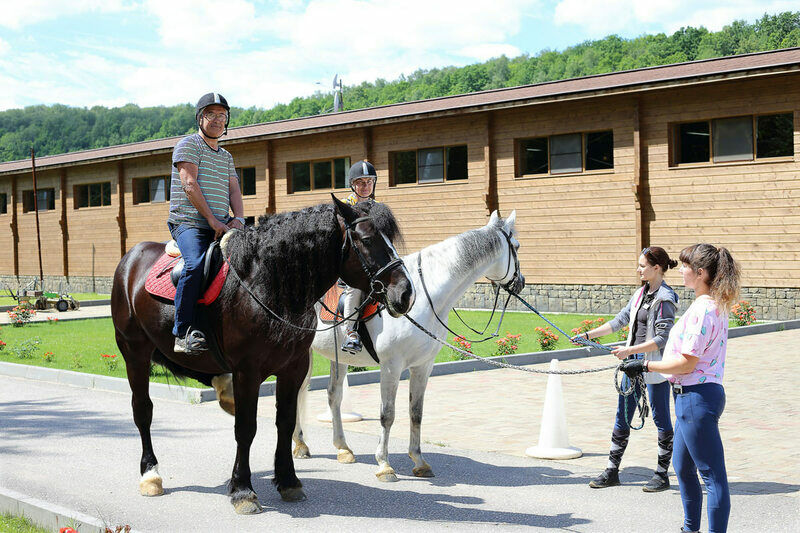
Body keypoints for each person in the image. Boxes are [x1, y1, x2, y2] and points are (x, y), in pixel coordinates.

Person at [621, 244, 740, 533]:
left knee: (712, 478)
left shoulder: (704, 309)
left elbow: (686, 363)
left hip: (696, 398)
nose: (682, 270)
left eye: (686, 266)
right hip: (692, 398)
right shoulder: (709, 304)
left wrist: (646, 366)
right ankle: (690, 529)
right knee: (684, 468)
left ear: (700, 273)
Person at [573, 246, 679, 492]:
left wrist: (630, 351)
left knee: (661, 420)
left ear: (656, 268)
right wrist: (588, 335)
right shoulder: (639, 294)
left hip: (653, 367)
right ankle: (612, 471)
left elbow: (662, 338)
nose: (638, 269)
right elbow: (619, 321)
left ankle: (662, 475)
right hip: (631, 367)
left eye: (643, 265)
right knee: (622, 418)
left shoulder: (665, 298)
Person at [167, 92, 245, 355]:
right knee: (195, 263)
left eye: (222, 115)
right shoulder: (188, 145)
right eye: (210, 114)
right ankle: (182, 331)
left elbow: (234, 189)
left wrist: (239, 219)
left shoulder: (226, 157)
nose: (217, 120)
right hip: (189, 223)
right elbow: (189, 184)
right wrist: (212, 220)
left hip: (222, 224)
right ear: (200, 118)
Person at [339, 160, 377, 354]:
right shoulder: (344, 206)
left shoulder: (379, 208)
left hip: (376, 262)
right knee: (355, 287)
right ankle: (350, 332)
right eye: (360, 182)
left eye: (369, 181)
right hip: (352, 261)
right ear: (352, 184)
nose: (365, 186)